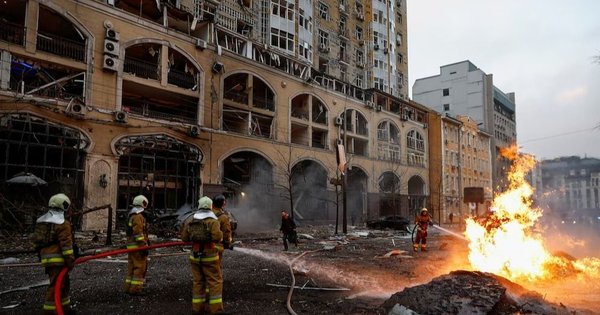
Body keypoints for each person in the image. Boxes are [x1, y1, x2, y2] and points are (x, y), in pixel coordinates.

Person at [31, 193, 76, 314]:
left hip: (46, 258)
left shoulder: (42, 221)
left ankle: (64, 307)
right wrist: (70, 261)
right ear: (64, 206)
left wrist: (41, 256)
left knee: (63, 283)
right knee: (56, 285)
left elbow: (36, 242)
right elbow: (66, 245)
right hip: (58, 259)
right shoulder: (63, 224)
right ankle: (51, 311)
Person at [181, 196, 224, 314]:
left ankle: (197, 308)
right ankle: (216, 310)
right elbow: (217, 237)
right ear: (210, 206)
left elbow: (184, 238)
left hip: (194, 256)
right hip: (209, 256)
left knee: (198, 282)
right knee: (215, 281)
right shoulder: (213, 221)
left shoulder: (191, 220)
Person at [124, 195, 149, 295]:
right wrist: (144, 246)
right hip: (138, 247)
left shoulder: (131, 214)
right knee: (140, 268)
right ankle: (135, 289)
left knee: (132, 267)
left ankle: (128, 288)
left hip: (131, 246)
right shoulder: (138, 216)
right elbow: (138, 234)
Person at [212, 195, 233, 264]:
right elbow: (226, 232)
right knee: (215, 270)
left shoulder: (207, 213)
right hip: (215, 248)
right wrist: (228, 243)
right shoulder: (223, 217)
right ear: (223, 203)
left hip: (200, 248)